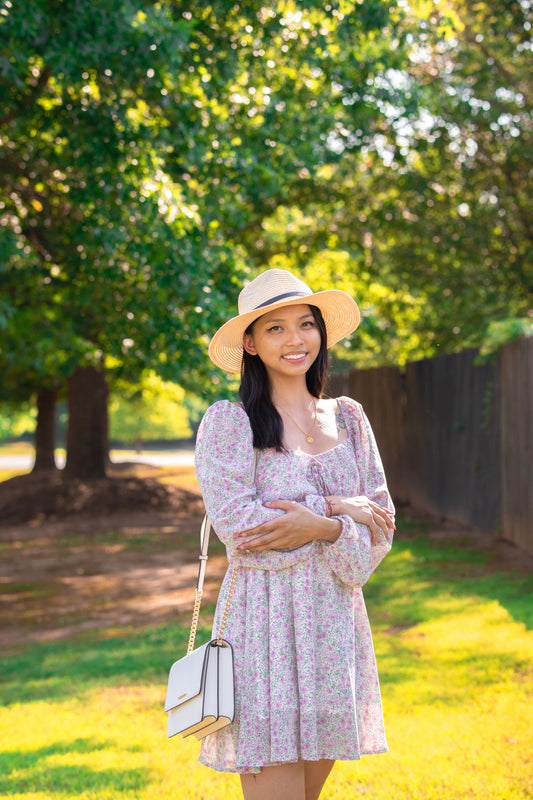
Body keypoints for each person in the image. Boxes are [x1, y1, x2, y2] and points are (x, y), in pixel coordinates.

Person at [194, 268, 395, 800]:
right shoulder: (230, 423)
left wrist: (321, 525)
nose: (295, 339)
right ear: (251, 344)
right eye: (275, 328)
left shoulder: (350, 419)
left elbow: (380, 525)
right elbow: (241, 529)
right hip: (265, 629)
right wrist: (334, 510)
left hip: (335, 630)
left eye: (305, 324)